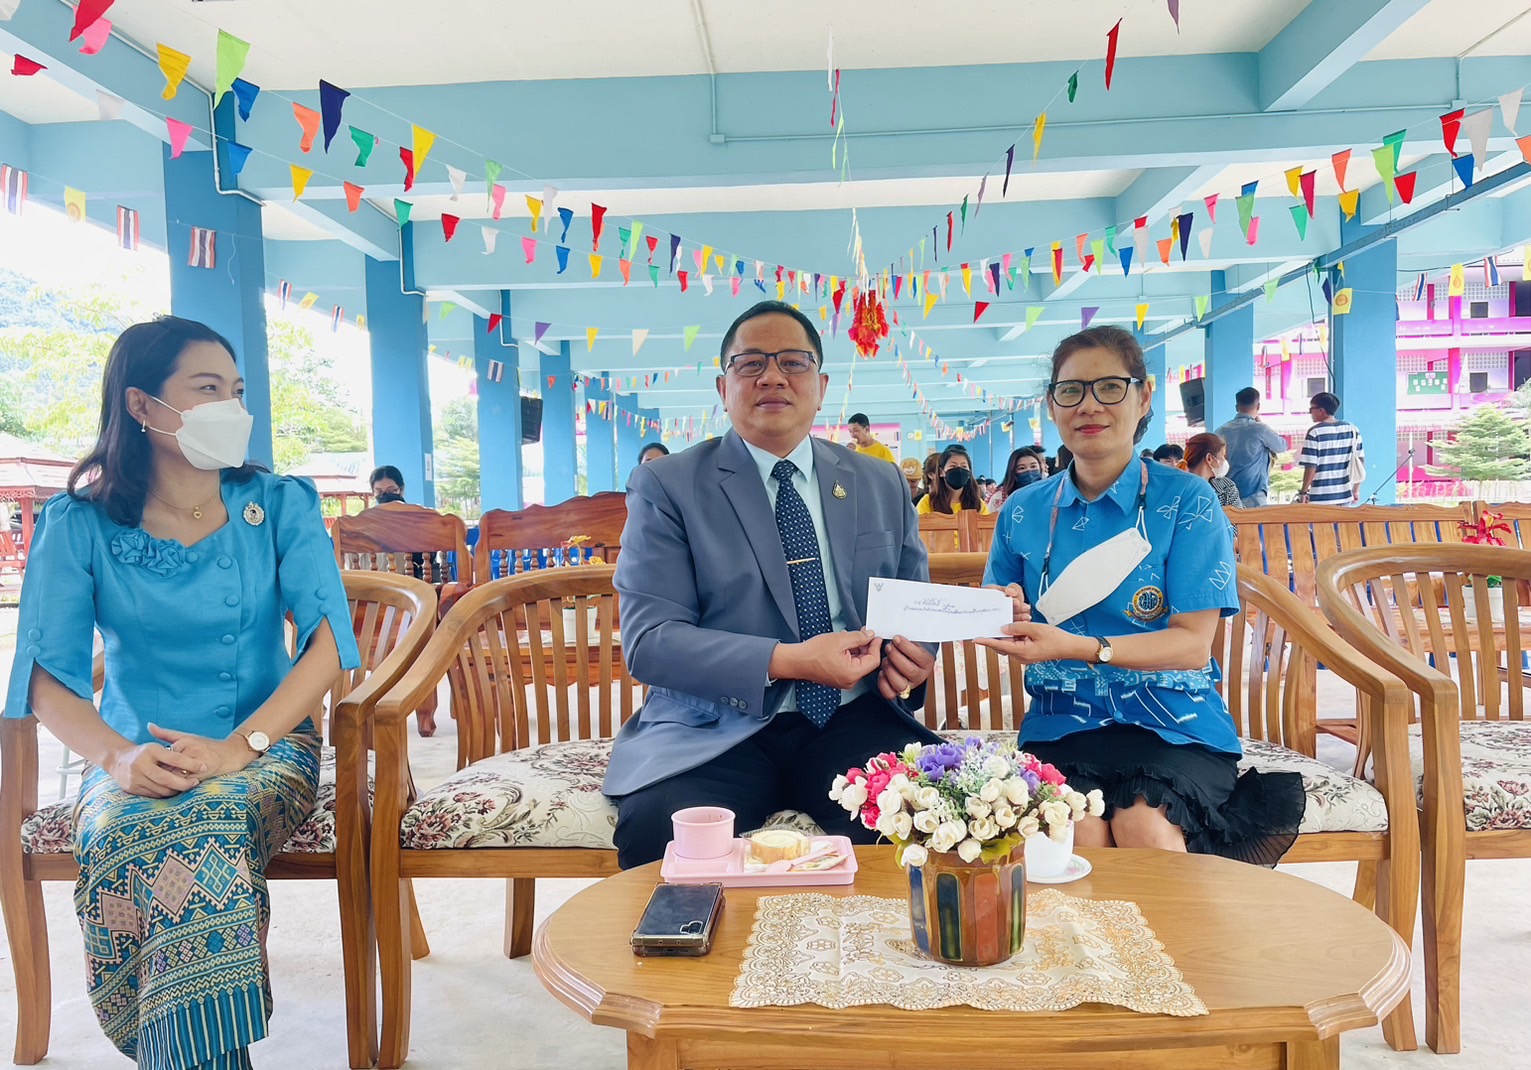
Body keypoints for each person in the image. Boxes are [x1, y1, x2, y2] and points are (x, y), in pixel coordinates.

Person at [5, 316, 361, 1068]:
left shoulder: (279, 504)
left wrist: (240, 747)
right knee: (137, 827)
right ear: (141, 404)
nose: (231, 407)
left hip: (267, 745)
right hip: (133, 755)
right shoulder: (79, 524)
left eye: (236, 391)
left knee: (206, 823)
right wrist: (116, 758)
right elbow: (45, 675)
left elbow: (329, 642)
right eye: (207, 389)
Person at [602, 300, 944, 868]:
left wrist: (914, 655)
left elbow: (914, 604)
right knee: (664, 832)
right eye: (751, 363)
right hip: (713, 724)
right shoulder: (668, 485)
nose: (772, 377)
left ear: (822, 385)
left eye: (793, 361)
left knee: (922, 824)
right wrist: (790, 661)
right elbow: (650, 642)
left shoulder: (878, 480)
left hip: (853, 716)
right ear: (723, 387)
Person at [978, 325, 1303, 866]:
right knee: (1074, 829)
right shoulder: (1022, 510)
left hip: (1173, 723)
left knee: (1146, 823)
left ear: (1144, 396)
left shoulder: (1189, 500)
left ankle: (1171, 927)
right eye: (1070, 390)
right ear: (1052, 405)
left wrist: (1078, 648)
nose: (1089, 405)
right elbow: (1001, 612)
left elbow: (1192, 647)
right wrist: (1004, 608)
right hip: (1063, 722)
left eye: (1109, 387)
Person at [1215, 388, 1287, 506]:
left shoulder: (1220, 431)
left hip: (1226, 494)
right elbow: (1281, 446)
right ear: (1258, 406)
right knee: (1255, 519)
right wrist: (1261, 424)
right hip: (1254, 493)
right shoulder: (1260, 429)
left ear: (1236, 407)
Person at [1298, 392, 1364, 505]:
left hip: (1320, 498)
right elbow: (1360, 461)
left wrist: (1303, 492)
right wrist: (1356, 490)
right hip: (1345, 496)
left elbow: (1311, 467)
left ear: (1321, 410)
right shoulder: (1353, 430)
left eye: (1311, 409)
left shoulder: (1315, 432)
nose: (1310, 413)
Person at [915, 444, 990, 517]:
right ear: (941, 472)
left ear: (969, 472)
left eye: (964, 466)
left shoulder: (978, 504)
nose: (959, 470)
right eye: (953, 466)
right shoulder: (928, 502)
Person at [1182, 432, 1243, 508]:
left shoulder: (1226, 487)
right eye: (1223, 456)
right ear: (1209, 458)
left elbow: (1239, 514)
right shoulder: (1179, 487)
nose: (1224, 461)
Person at [988, 446, 1046, 510]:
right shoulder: (1000, 497)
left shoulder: (1048, 492)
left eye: (1033, 466)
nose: (1029, 471)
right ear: (1012, 471)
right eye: (1022, 468)